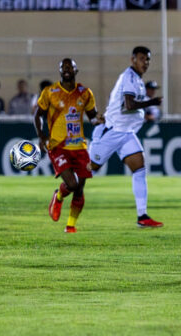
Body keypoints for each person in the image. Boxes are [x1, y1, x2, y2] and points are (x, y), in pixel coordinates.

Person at [88, 46, 163, 228]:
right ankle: (61, 193)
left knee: (139, 168)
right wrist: (151, 102)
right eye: (142, 58)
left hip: (127, 133)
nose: (145, 62)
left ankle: (142, 216)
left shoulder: (136, 80)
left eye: (148, 59)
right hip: (113, 131)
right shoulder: (129, 77)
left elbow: (126, 106)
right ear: (133, 60)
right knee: (88, 170)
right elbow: (129, 104)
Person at [34, 58, 99, 233]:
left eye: (70, 67)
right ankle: (60, 195)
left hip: (79, 147)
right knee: (72, 184)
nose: (67, 69)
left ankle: (70, 226)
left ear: (76, 70)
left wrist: (99, 121)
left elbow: (93, 117)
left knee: (80, 189)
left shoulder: (85, 93)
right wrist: (42, 136)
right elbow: (38, 115)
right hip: (58, 145)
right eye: (63, 67)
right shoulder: (50, 92)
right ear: (60, 71)